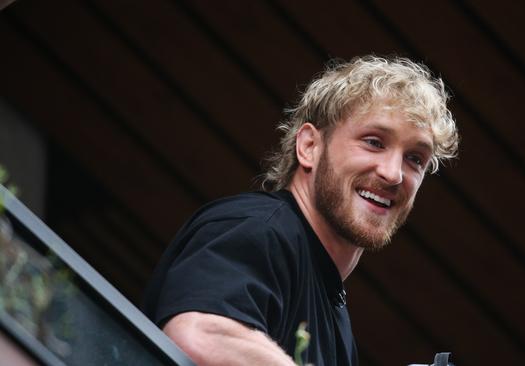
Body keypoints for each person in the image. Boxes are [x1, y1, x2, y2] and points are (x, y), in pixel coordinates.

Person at [142, 55, 459, 366]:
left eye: (415, 159)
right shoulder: (259, 228)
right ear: (309, 146)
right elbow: (200, 335)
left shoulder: (332, 309)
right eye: (374, 142)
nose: (393, 174)